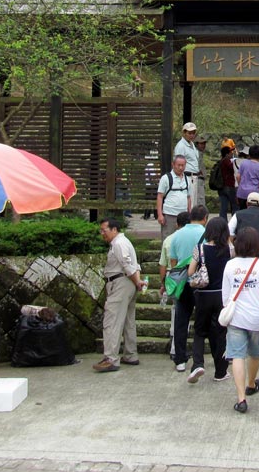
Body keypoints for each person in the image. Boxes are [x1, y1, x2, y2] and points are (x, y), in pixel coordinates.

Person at [221, 227, 259, 414]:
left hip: (236, 317)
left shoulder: (230, 265)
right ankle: (251, 383)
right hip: (258, 317)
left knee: (237, 355)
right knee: (255, 353)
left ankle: (241, 398)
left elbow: (225, 297)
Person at [93, 218, 146, 373]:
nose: (102, 233)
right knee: (128, 320)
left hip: (120, 282)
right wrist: (137, 281)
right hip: (127, 282)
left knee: (112, 320)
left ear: (114, 229)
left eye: (104, 230)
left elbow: (127, 265)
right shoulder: (124, 242)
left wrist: (137, 281)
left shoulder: (118, 243)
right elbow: (134, 265)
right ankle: (130, 354)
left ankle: (111, 358)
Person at [185, 217, 232, 384]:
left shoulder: (200, 249)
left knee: (199, 331)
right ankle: (220, 371)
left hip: (203, 295)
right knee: (220, 333)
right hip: (222, 296)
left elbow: (191, 272)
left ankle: (197, 364)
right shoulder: (229, 249)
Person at [169, 205, 208, 372]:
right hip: (201, 282)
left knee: (181, 320)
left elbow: (173, 261)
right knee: (204, 320)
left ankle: (180, 359)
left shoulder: (177, 235)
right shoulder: (206, 234)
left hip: (182, 282)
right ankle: (203, 356)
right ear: (205, 218)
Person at [158, 212, 190, 360]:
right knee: (184, 314)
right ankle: (178, 348)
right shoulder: (191, 238)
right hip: (188, 277)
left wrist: (163, 283)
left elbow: (163, 264)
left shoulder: (169, 239)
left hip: (172, 278)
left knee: (176, 312)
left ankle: (175, 348)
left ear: (177, 224)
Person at [228, 192, 259, 260]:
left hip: (242, 252)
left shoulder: (237, 215)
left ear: (247, 203)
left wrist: (233, 248)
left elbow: (229, 232)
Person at [156, 155, 191, 241]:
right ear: (173, 164)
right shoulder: (165, 178)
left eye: (183, 165)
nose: (180, 167)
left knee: (183, 240)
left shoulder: (187, 179)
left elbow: (188, 197)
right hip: (169, 215)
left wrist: (189, 213)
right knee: (168, 239)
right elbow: (160, 196)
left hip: (183, 215)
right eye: (178, 165)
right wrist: (160, 215)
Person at [174, 122, 200, 206]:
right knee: (188, 203)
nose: (192, 135)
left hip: (194, 177)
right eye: (189, 133)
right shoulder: (181, 146)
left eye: (193, 133)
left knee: (193, 203)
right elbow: (178, 164)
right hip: (187, 177)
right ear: (184, 133)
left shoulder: (192, 144)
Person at [235, 145, 259, 210]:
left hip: (242, 193)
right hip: (254, 193)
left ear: (249, 154)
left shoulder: (243, 163)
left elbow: (238, 176)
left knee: (242, 211)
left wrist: (241, 185)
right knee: (254, 212)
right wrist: (258, 190)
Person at [218, 146, 237, 220]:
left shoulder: (221, 161)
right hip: (229, 185)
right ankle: (234, 221)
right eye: (230, 152)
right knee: (235, 205)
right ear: (227, 154)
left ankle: (223, 222)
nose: (232, 153)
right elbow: (233, 169)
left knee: (223, 206)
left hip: (221, 186)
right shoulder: (227, 161)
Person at [193, 135, 208, 207]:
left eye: (204, 143)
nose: (203, 145)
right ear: (196, 144)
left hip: (200, 179)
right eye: (201, 143)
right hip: (197, 179)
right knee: (200, 201)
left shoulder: (200, 153)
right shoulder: (196, 153)